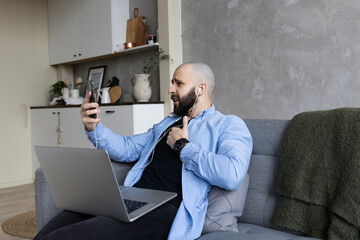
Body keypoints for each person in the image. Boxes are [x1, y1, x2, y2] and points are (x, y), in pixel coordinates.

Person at [34, 62, 253, 240]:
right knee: (58, 225)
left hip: (167, 209)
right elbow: (127, 148)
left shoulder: (227, 125)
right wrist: (94, 127)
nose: (170, 89)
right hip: (133, 196)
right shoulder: (166, 123)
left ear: (200, 89)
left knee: (69, 237)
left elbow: (232, 175)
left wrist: (183, 147)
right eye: (172, 83)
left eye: (179, 83)